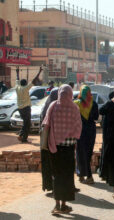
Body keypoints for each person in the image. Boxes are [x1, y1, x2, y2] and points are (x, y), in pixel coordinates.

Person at [42, 85, 82, 214]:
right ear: (70, 94)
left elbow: (46, 123)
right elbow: (78, 127)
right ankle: (64, 204)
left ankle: (57, 205)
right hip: (69, 148)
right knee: (67, 175)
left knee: (57, 175)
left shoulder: (53, 106)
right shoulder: (74, 108)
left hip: (54, 147)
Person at [74, 85, 99, 184]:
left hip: (79, 130)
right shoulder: (94, 104)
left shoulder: (75, 103)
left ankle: (81, 174)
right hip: (90, 131)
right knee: (88, 153)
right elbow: (96, 117)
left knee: (80, 152)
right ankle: (88, 176)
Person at [15, 66, 43, 143]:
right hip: (26, 108)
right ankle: (22, 136)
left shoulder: (17, 87)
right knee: (27, 123)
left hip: (20, 108)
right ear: (26, 83)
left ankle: (23, 138)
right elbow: (34, 80)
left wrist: (17, 72)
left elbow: (17, 79)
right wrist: (39, 71)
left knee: (26, 123)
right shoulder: (26, 88)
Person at [40, 88, 58, 192]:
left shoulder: (45, 107)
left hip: (44, 141)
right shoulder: (54, 107)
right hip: (51, 140)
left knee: (47, 164)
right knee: (52, 163)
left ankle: (48, 185)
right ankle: (52, 185)